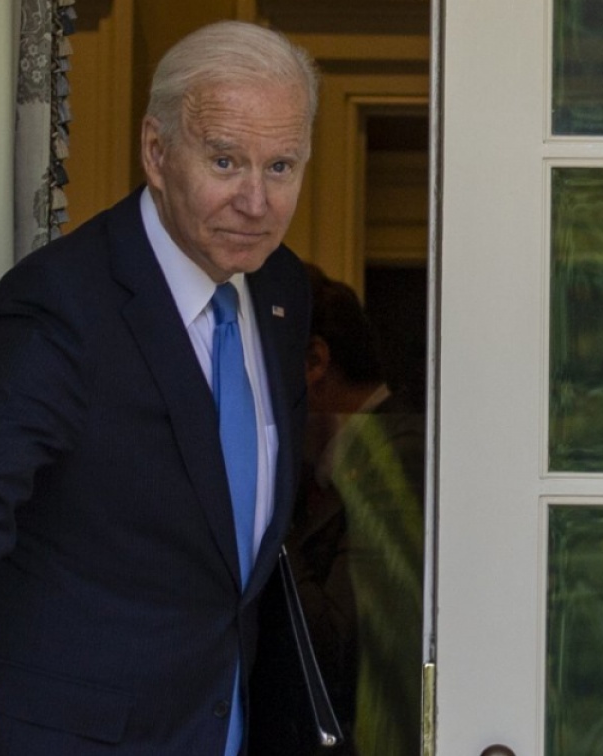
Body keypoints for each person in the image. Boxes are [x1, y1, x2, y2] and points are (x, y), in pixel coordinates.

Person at [0, 21, 318, 755]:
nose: (257, 201)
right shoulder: (64, 300)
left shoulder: (281, 289)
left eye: (281, 166)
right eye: (225, 161)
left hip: (224, 728)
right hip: (81, 735)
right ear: (156, 151)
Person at [251, 267, 426, 756]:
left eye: (252, 365)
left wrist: (263, 494)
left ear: (315, 361)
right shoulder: (333, 465)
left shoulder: (399, 457)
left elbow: (334, 652)